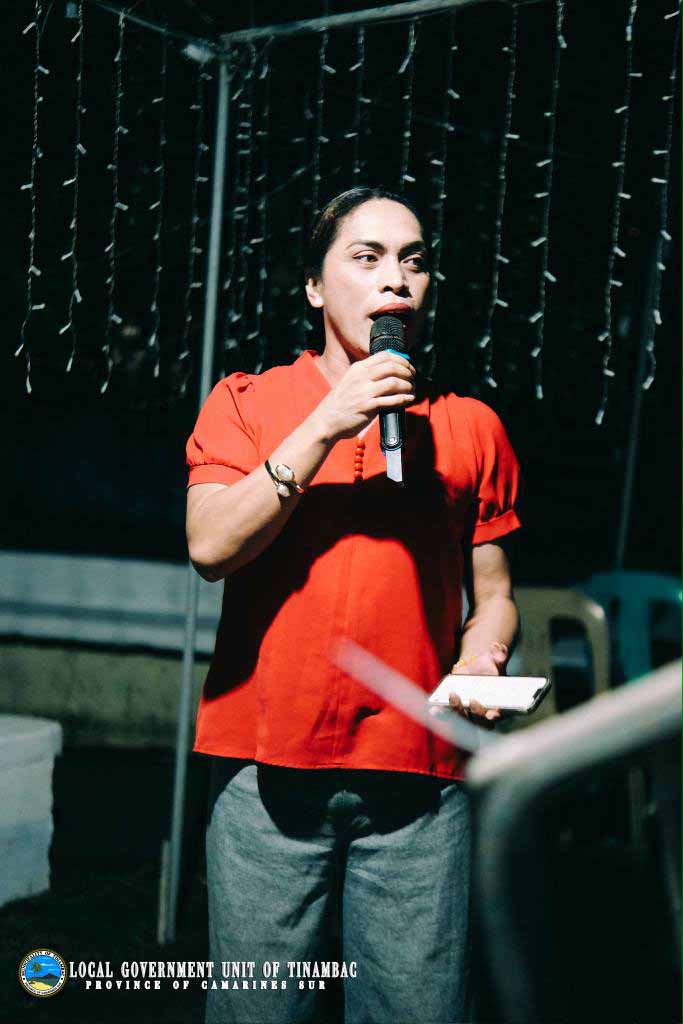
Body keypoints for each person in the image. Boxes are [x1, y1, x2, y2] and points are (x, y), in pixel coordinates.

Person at [185, 186, 521, 1024]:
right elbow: (211, 547)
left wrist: (482, 657)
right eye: (366, 258)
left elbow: (494, 599)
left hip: (420, 784)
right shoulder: (246, 402)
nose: (395, 279)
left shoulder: (471, 425)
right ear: (313, 286)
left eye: (413, 260)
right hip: (265, 771)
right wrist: (326, 423)